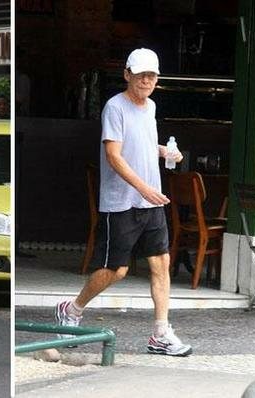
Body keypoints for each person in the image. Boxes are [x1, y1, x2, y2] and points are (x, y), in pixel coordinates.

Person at [55, 48, 191, 356]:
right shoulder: (114, 107)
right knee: (116, 270)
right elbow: (113, 155)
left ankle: (160, 333)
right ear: (127, 74)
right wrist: (143, 188)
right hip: (122, 202)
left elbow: (140, 143)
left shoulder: (151, 106)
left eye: (152, 75)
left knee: (161, 264)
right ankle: (72, 309)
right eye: (141, 74)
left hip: (151, 201)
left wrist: (166, 152)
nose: (146, 80)